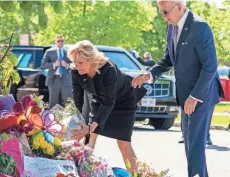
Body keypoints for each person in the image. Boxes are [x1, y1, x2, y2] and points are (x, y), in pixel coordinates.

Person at [131, 1, 224, 177]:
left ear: (180, 7)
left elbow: (210, 66)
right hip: (185, 94)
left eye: (165, 12)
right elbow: (168, 60)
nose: (163, 16)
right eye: (161, 12)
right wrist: (149, 75)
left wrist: (195, 96)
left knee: (195, 146)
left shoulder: (200, 27)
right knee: (190, 145)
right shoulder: (172, 26)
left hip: (201, 94)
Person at [68, 40, 147, 173]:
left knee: (123, 143)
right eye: (74, 62)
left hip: (123, 102)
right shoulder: (76, 71)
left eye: (80, 62)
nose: (77, 66)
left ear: (91, 59)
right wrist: (78, 121)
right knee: (90, 137)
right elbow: (78, 99)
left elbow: (109, 101)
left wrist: (93, 124)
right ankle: (82, 173)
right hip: (99, 100)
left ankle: (137, 175)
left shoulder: (108, 69)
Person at [41, 35, 72, 108]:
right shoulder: (49, 52)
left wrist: (67, 65)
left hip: (66, 80)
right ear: (55, 42)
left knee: (68, 102)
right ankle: (53, 119)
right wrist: (54, 64)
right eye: (58, 41)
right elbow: (43, 65)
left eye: (62, 41)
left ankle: (69, 118)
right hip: (54, 79)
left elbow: (75, 64)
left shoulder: (68, 52)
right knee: (53, 103)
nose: (60, 42)